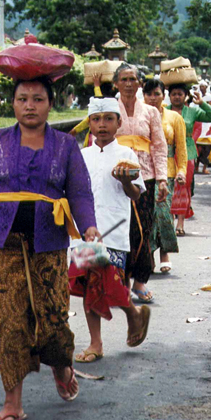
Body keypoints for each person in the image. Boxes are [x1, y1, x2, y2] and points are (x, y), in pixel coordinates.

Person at [0, 76, 100, 420]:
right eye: (23, 98)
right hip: (1, 245)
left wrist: (88, 225)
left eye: (39, 99)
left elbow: (80, 192)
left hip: (49, 245)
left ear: (50, 104)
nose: (30, 105)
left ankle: (61, 364)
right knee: (6, 321)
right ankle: (13, 403)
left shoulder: (65, 146)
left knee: (54, 317)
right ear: (12, 104)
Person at [69, 97, 150, 362]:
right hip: (85, 231)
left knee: (112, 286)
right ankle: (96, 343)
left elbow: (136, 195)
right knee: (88, 282)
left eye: (108, 119)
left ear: (118, 123)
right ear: (89, 123)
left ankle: (133, 314)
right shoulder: (81, 156)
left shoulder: (126, 154)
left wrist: (126, 182)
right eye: (96, 119)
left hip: (114, 229)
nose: (102, 125)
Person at [114, 63, 168, 302]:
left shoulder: (150, 112)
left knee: (144, 228)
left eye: (132, 79)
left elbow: (159, 146)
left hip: (145, 176)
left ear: (139, 83)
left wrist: (163, 178)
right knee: (120, 229)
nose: (128, 83)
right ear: (116, 83)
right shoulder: (109, 108)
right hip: (115, 176)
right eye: (124, 79)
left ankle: (140, 281)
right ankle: (121, 282)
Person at [143, 79, 187, 274]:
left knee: (162, 213)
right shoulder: (138, 116)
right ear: (143, 96)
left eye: (157, 94)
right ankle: (149, 256)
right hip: (143, 171)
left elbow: (181, 148)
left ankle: (164, 253)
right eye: (149, 94)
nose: (153, 98)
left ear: (164, 95)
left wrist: (181, 170)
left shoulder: (174, 118)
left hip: (167, 172)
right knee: (147, 215)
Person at [167, 83, 211, 235]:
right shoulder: (163, 111)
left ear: (185, 96)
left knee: (183, 186)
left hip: (188, 153)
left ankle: (180, 223)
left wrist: (201, 103)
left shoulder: (192, 112)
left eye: (180, 94)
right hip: (168, 152)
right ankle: (168, 222)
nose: (177, 97)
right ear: (169, 96)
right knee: (168, 185)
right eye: (174, 94)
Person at [195, 80, 211, 174]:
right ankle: (196, 167)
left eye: (204, 86)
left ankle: (204, 167)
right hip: (199, 125)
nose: (202, 88)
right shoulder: (196, 97)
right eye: (201, 86)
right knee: (198, 149)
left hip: (208, 125)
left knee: (207, 150)